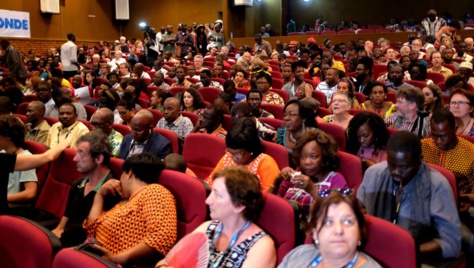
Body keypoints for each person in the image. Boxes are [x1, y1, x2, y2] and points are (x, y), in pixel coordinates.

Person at [357, 131, 461, 260]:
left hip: (416, 257)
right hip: (374, 252)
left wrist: (406, 250)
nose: (395, 172)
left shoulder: (437, 185)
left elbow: (451, 243)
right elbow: (357, 212)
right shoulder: (374, 174)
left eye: (404, 167)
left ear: (419, 161)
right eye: (391, 164)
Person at [156, 167, 276, 268]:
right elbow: (166, 261)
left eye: (217, 195)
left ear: (239, 205)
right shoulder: (208, 227)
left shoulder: (261, 246)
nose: (207, 201)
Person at [84, 153, 177, 266]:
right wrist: (99, 195)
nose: (119, 180)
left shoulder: (155, 192)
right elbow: (91, 230)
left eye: (122, 174)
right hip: (94, 257)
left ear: (130, 173)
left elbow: (163, 236)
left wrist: (118, 258)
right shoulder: (125, 201)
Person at [51, 130, 121, 247]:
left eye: (81, 153)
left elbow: (98, 239)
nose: (75, 159)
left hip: (85, 249)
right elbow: (61, 227)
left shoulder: (113, 192)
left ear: (98, 159)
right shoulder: (77, 184)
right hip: (66, 242)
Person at [279, 190, 381, 268]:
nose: (338, 230)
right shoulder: (298, 254)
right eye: (328, 222)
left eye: (347, 222)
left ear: (360, 231)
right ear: (314, 232)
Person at [272, 129, 348, 218]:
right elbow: (270, 206)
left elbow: (341, 212)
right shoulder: (295, 176)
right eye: (303, 157)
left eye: (313, 157)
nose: (307, 162)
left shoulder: (335, 179)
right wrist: (277, 181)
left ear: (325, 157)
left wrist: (312, 190)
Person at [205, 118, 280, 191]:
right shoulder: (228, 157)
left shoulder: (266, 163)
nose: (233, 158)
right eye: (230, 152)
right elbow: (211, 181)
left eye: (238, 154)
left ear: (250, 148)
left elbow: (270, 199)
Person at [422, 109, 474, 210]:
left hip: (457, 207)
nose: (438, 141)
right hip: (425, 202)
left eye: (444, 136)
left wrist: (461, 198)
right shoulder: (423, 146)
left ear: (455, 130)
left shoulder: (471, 153)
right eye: (435, 136)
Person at [0, 115, 38, 212]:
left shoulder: (26, 157)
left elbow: (30, 193)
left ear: (8, 136)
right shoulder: (2, 153)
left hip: (9, 208)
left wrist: (4, 198)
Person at [276, 99, 318, 166]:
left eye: (292, 114)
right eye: (285, 115)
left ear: (303, 118)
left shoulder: (315, 136)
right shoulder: (281, 134)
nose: (286, 118)